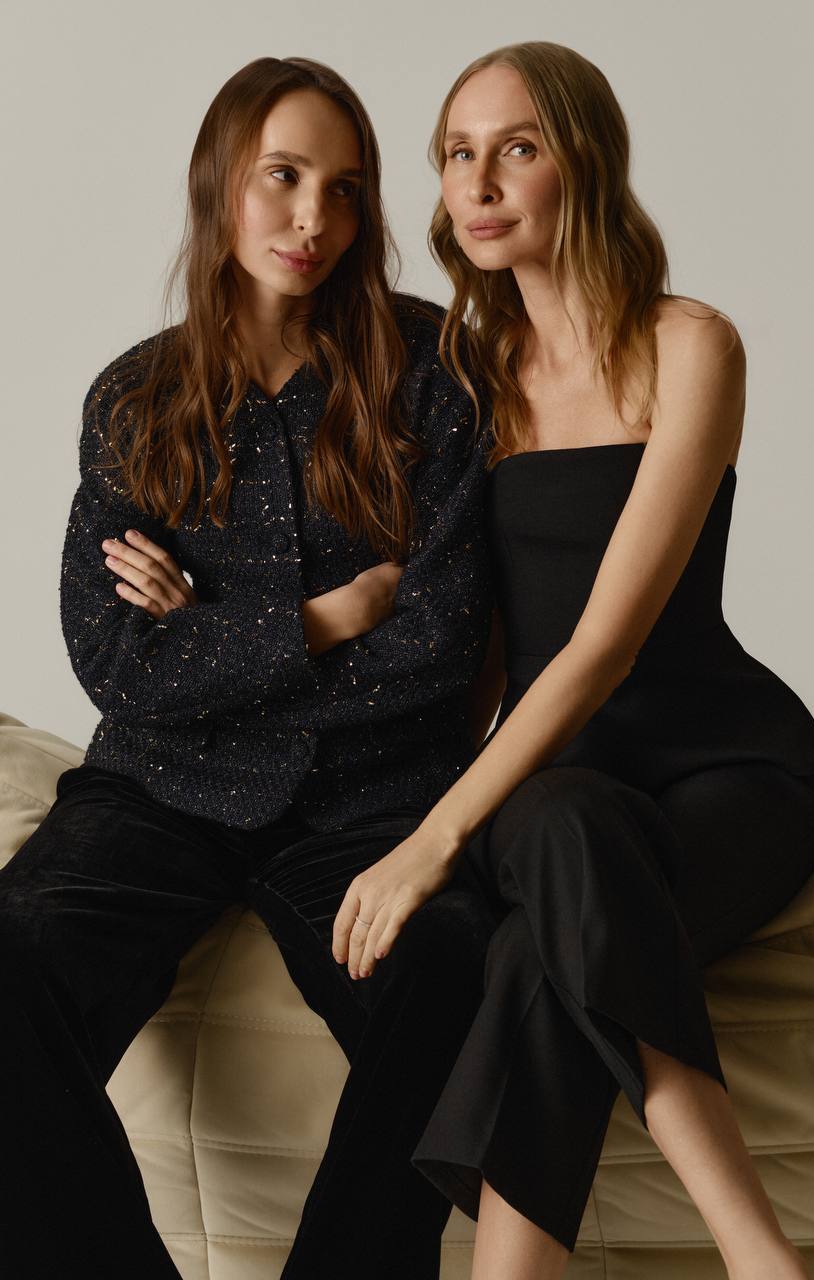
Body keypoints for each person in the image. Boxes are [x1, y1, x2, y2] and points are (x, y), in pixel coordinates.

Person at [326, 42, 814, 1280]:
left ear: (586, 160)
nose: (478, 181)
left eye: (517, 147)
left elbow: (605, 642)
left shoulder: (689, 345)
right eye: (457, 154)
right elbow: (478, 635)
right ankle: (761, 1255)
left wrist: (435, 839)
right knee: (561, 830)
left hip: (727, 763)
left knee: (538, 949)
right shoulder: (466, 380)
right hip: (556, 777)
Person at [0, 56, 500, 1280]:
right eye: (282, 176)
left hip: (372, 798)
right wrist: (323, 616)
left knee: (454, 976)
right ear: (222, 180)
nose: (312, 218)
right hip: (159, 787)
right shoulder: (136, 396)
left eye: (344, 187)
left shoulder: (434, 371)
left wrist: (210, 631)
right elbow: (119, 664)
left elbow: (438, 644)